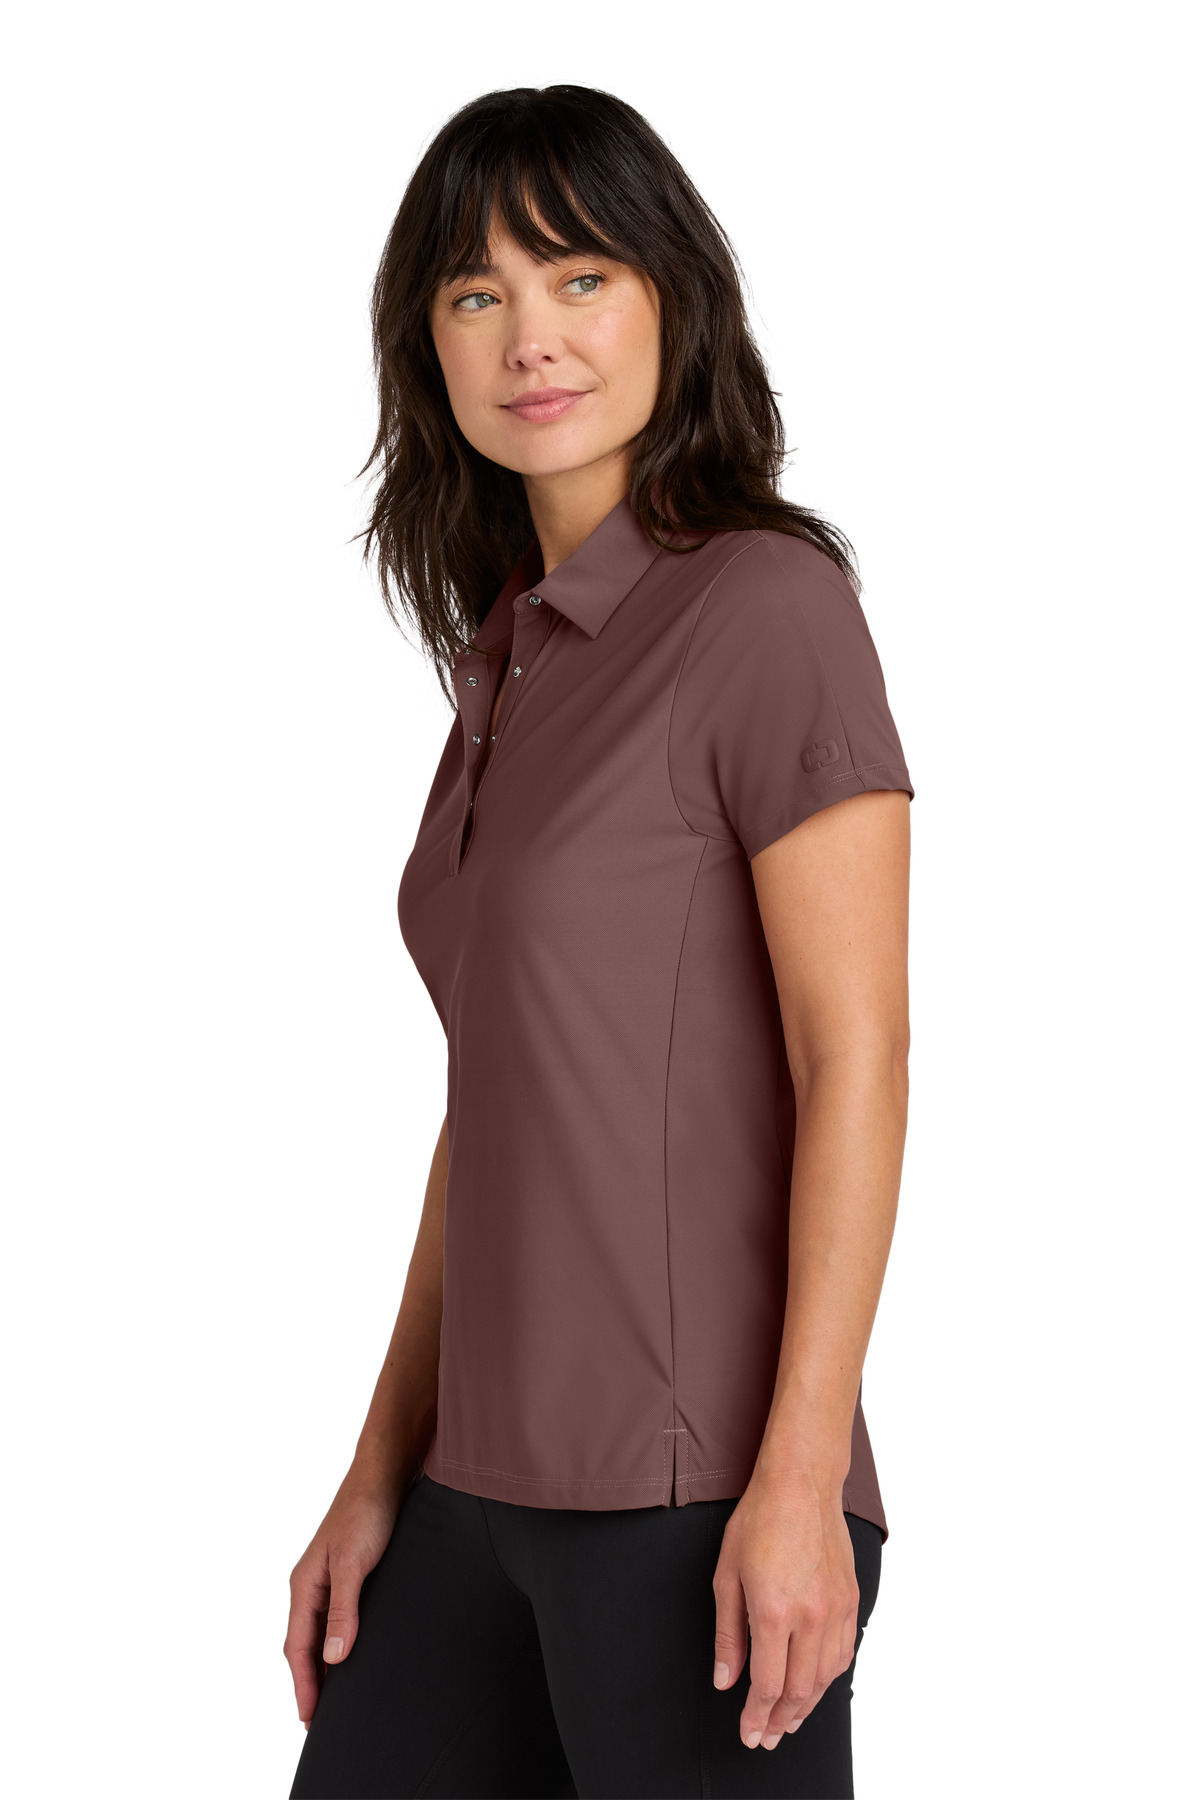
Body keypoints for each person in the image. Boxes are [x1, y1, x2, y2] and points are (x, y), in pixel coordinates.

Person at [286, 83, 913, 1800]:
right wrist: (376, 1470)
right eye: (475, 293)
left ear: (671, 299)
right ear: (426, 345)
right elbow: (491, 1114)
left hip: (689, 1496)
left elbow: (855, 1056)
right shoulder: (514, 656)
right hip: (468, 1492)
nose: (530, 338)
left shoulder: (765, 606)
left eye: (580, 277)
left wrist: (799, 1484)